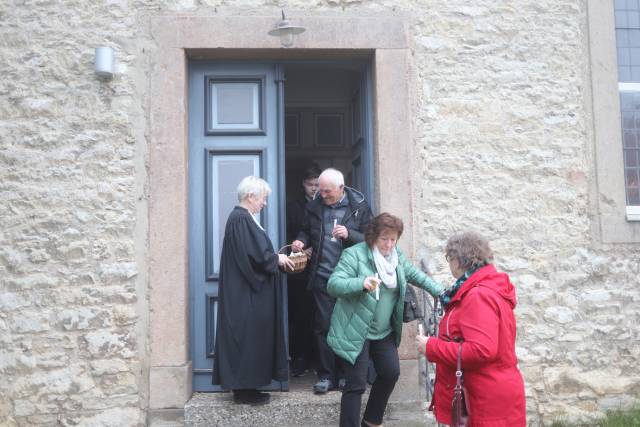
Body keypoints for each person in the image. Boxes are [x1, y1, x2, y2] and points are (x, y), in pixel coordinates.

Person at [326, 213, 444, 427]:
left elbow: (416, 276)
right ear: (372, 237)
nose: (389, 244)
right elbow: (333, 284)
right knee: (356, 384)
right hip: (355, 330)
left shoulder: (396, 257)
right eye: (384, 239)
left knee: (390, 373)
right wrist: (360, 283)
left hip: (383, 331)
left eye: (393, 239)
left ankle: (371, 421)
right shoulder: (355, 254)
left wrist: (441, 293)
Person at [416, 231, 526, 426]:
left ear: (458, 261)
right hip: (490, 393)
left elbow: (481, 350)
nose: (450, 265)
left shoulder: (477, 295)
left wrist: (431, 347)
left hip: (485, 399)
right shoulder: (482, 287)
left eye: (450, 259)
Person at [212, 176, 295, 406]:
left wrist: (274, 260)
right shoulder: (241, 219)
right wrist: (276, 258)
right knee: (246, 339)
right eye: (263, 199)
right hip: (245, 294)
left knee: (250, 339)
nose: (265, 204)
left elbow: (253, 254)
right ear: (250, 196)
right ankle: (244, 391)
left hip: (246, 291)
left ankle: (247, 389)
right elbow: (255, 255)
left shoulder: (242, 219)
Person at [291, 168, 373, 394]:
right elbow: (305, 230)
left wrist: (350, 234)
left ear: (341, 188)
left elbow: (372, 238)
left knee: (347, 328)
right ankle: (327, 376)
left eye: (327, 191)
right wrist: (299, 240)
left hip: (351, 281)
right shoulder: (315, 205)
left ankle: (347, 375)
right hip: (323, 278)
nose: (322, 194)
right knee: (323, 327)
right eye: (320, 189)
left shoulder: (359, 206)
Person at [286, 164, 321, 377]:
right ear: (303, 184)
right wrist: (299, 247)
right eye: (310, 184)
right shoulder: (293, 207)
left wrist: (313, 250)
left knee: (320, 317)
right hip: (299, 271)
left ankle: (319, 360)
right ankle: (299, 359)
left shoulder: (326, 204)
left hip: (321, 268)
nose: (314, 189)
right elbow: (290, 232)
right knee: (300, 316)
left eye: (317, 184)